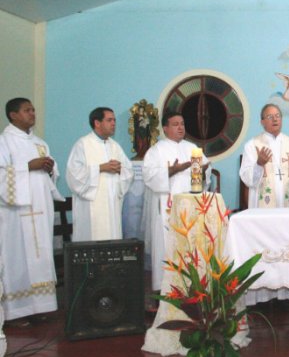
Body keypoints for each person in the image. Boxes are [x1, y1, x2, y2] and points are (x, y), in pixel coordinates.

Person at [240, 104, 289, 310]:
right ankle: (261, 298)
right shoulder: (252, 145)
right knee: (263, 249)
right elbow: (246, 178)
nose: (275, 119)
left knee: (285, 247)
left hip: (286, 209)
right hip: (262, 211)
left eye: (277, 115)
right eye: (270, 116)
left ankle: (284, 296)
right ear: (262, 121)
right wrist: (259, 164)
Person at [0, 98, 63, 325]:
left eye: (33, 110)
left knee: (41, 254)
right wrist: (28, 166)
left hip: (40, 207)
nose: (32, 113)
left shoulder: (40, 143)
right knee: (16, 257)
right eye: (27, 110)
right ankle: (14, 312)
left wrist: (49, 167)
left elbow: (52, 174)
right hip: (15, 213)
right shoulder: (4, 142)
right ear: (13, 115)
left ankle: (39, 306)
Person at [143, 111, 209, 291]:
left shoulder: (192, 148)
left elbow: (204, 178)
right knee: (168, 246)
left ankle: (193, 287)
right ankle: (166, 289)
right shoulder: (156, 151)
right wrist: (172, 170)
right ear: (165, 128)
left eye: (182, 123)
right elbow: (149, 177)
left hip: (191, 206)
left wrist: (203, 171)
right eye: (175, 124)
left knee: (191, 246)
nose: (181, 127)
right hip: (167, 208)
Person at [66, 107, 134, 241]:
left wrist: (120, 169)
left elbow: (129, 171)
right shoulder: (83, 144)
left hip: (112, 204)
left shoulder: (115, 146)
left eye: (114, 120)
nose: (114, 123)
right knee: (93, 239)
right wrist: (101, 168)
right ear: (97, 123)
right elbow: (73, 175)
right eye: (109, 120)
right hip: (91, 206)